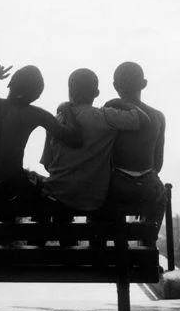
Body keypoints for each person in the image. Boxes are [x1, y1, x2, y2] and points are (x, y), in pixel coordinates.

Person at [0, 64, 82, 202]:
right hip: (14, 186)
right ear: (35, 95)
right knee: (48, 189)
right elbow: (74, 139)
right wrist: (67, 108)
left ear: (10, 83)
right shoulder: (35, 114)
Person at [41, 69, 149, 212]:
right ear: (96, 93)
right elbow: (144, 119)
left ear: (69, 91)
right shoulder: (105, 117)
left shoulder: (57, 121)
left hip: (58, 196)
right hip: (93, 200)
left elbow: (47, 164)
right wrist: (120, 101)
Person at [105, 62, 167, 232]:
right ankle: (149, 240)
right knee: (161, 195)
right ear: (144, 84)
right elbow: (158, 164)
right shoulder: (158, 117)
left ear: (115, 86)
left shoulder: (110, 111)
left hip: (116, 188)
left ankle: (113, 247)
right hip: (149, 188)